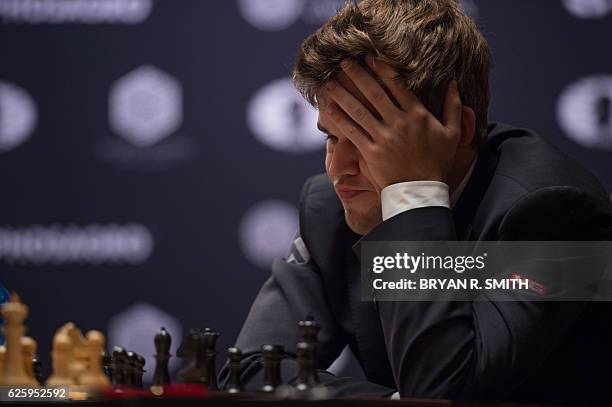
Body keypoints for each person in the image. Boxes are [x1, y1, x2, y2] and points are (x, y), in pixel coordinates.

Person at [221, 0, 612, 404]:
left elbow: (445, 395)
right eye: (332, 137)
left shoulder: (560, 211)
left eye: (367, 138)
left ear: (456, 129)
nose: (337, 168)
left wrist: (413, 195)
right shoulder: (332, 207)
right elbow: (251, 369)